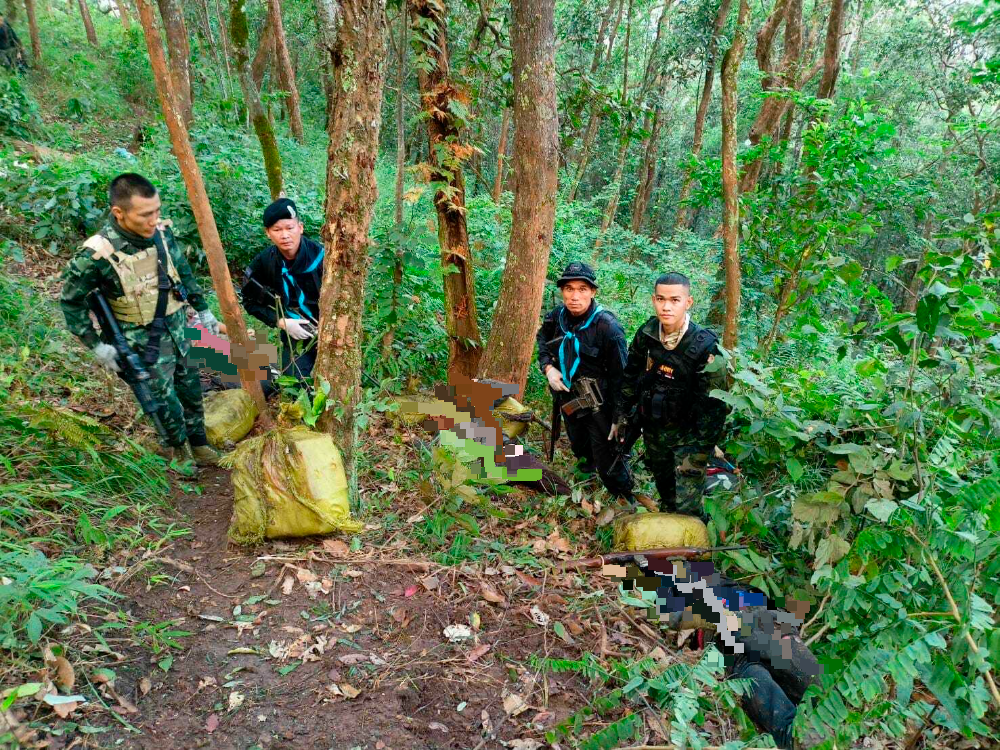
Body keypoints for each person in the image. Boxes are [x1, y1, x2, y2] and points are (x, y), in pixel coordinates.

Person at [60, 173, 222, 465]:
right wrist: (96, 345)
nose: (153, 220)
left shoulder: (160, 232)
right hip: (139, 338)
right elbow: (71, 301)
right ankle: (179, 451)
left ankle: (199, 445)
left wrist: (203, 308)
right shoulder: (96, 254)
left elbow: (180, 269)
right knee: (163, 399)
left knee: (190, 387)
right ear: (118, 213)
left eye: (157, 211)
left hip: (177, 325)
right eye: (145, 214)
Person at [615, 558, 823, 749]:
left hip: (766, 625)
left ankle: (816, 728)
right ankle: (797, 736)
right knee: (755, 677)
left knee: (806, 680)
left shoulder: (718, 580)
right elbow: (677, 616)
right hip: (733, 641)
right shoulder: (677, 589)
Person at [617, 272, 728, 517]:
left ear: (688, 302)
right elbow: (631, 375)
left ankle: (695, 550)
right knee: (667, 496)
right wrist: (622, 414)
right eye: (660, 299)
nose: (666, 306)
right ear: (653, 300)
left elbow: (716, 407)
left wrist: (700, 452)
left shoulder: (706, 346)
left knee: (687, 508)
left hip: (688, 438)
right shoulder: (646, 333)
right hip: (655, 431)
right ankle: (668, 542)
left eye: (675, 300)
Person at [536, 261, 633, 500]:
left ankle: (624, 497)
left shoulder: (608, 327)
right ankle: (586, 476)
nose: (575, 296)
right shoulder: (556, 317)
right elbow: (542, 340)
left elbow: (623, 376)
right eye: (569, 289)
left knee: (607, 457)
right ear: (562, 291)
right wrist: (548, 368)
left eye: (582, 289)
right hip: (568, 395)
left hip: (600, 403)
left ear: (592, 292)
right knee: (579, 446)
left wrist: (619, 418)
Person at [240, 198, 323, 395]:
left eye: (290, 228)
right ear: (268, 233)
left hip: (330, 331)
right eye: (277, 230)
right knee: (297, 387)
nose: (285, 235)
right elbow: (249, 301)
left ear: (300, 228)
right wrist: (283, 322)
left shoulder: (323, 257)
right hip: (296, 332)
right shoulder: (263, 263)